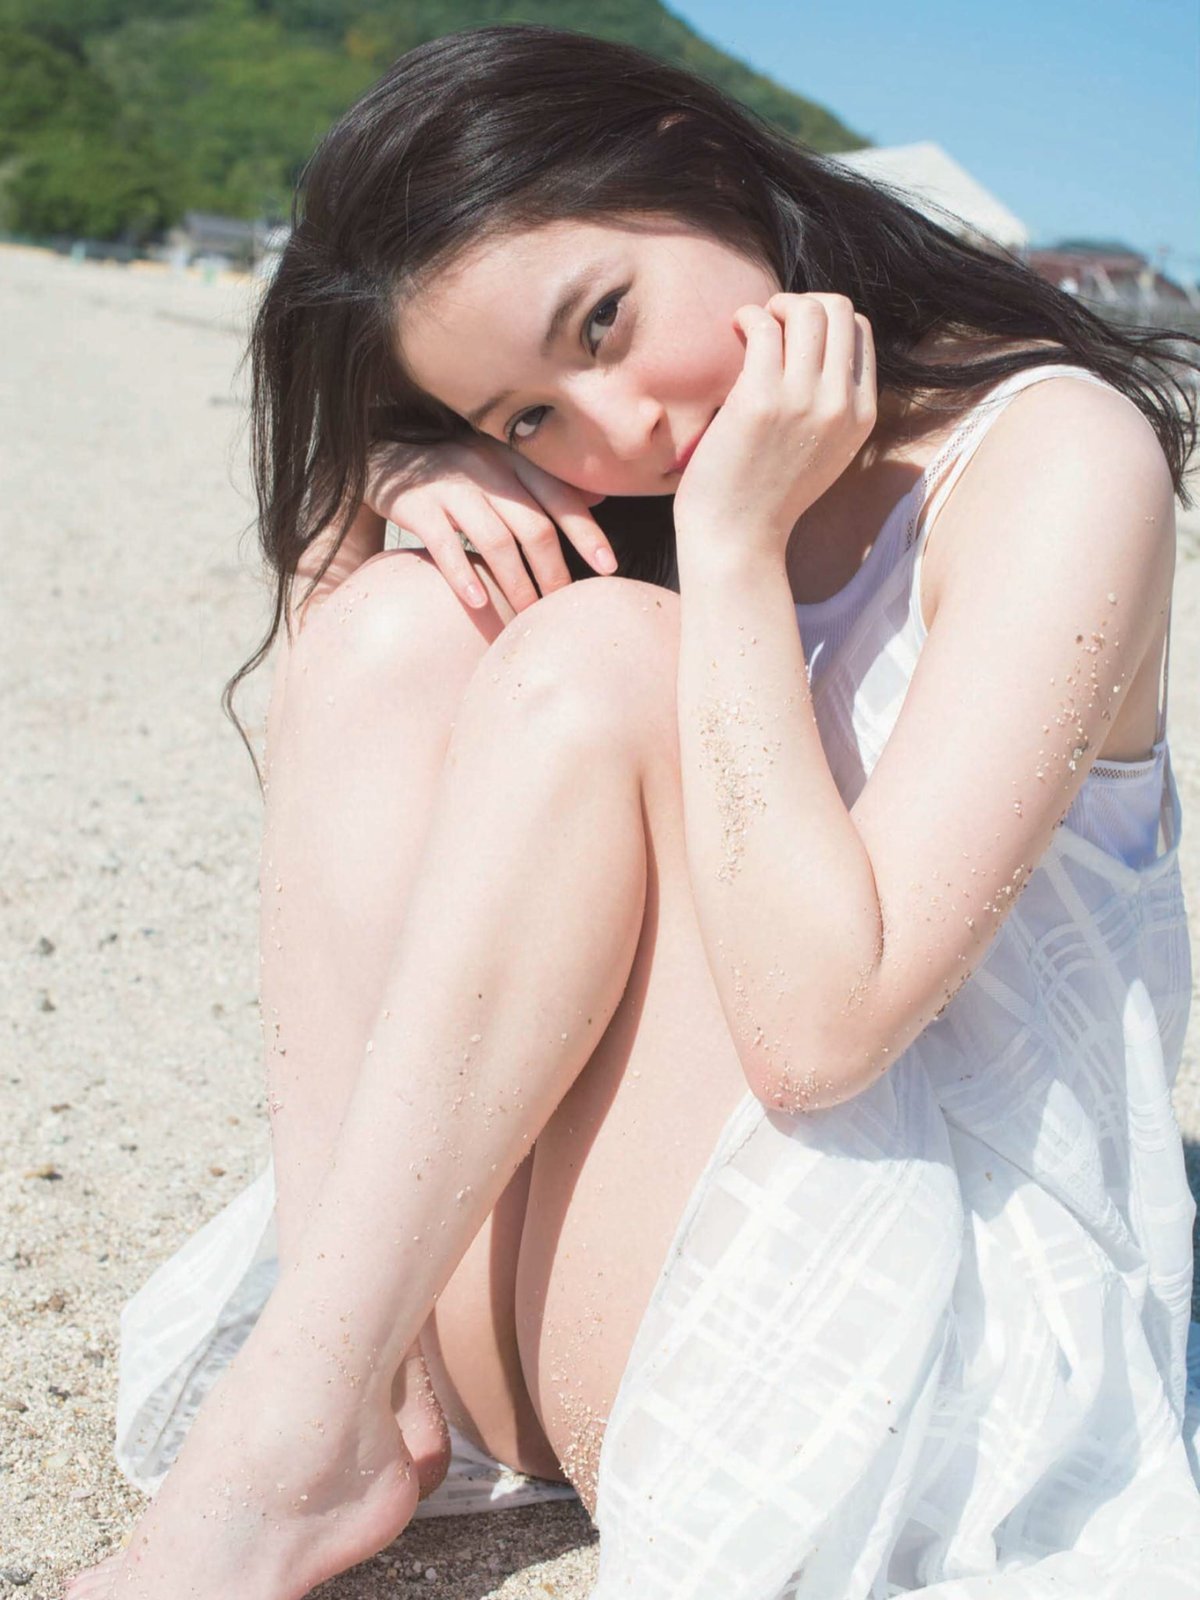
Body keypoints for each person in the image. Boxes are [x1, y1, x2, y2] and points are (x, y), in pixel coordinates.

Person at [70, 23, 1200, 1600]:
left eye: (602, 322)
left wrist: (733, 550)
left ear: (697, 158)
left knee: (602, 652)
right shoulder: (626, 489)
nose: (616, 434)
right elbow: (337, 728)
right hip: (554, 1338)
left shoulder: (1057, 457)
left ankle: (287, 1436)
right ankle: (331, 1399)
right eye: (528, 418)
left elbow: (823, 1031)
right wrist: (407, 481)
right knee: (391, 625)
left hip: (893, 1362)